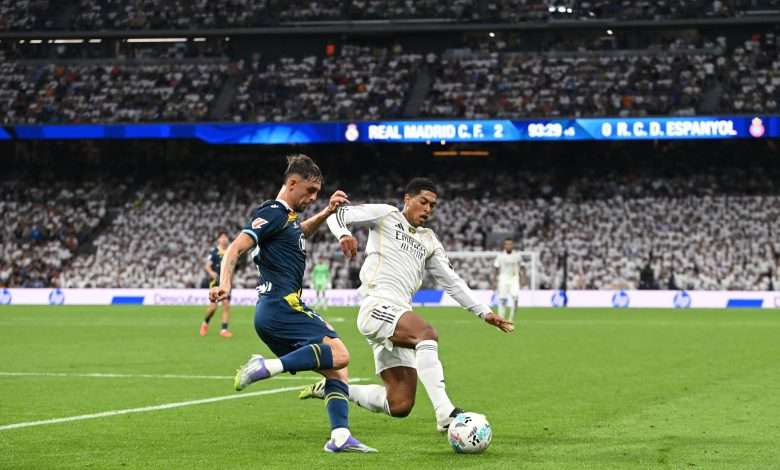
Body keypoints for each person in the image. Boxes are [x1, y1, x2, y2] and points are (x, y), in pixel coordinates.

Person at [300, 177, 514, 432]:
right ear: (407, 199)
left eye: (432, 205)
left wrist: (485, 313)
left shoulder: (429, 240)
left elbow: (452, 281)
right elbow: (340, 214)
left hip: (398, 314)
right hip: (376, 305)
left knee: (399, 404)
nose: (428, 209)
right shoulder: (387, 215)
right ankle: (445, 412)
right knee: (426, 334)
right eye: (423, 202)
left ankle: (334, 388)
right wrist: (344, 234)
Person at [209, 154, 376, 453]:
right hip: (281, 306)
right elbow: (235, 247)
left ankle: (340, 437)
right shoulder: (273, 211)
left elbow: (300, 232)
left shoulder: (287, 220)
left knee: (337, 372)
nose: (313, 198)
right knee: (340, 354)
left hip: (273, 312)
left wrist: (326, 211)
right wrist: (225, 283)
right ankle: (266, 366)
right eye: (309, 191)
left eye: (317, 193)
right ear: (292, 183)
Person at [200, 231, 232, 337]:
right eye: (222, 237)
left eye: (225, 237)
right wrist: (211, 272)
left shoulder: (230, 250)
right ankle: (205, 322)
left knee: (226, 305)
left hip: (226, 281)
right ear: (218, 239)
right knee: (213, 307)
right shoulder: (214, 252)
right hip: (216, 281)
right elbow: (207, 266)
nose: (224, 239)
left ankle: (223, 330)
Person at [493, 238, 522, 321]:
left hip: (514, 278)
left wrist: (524, 279)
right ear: (504, 245)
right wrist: (494, 281)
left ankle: (511, 319)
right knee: (502, 300)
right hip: (503, 278)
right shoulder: (500, 256)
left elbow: (522, 267)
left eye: (510, 244)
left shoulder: (517, 256)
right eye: (507, 244)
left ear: (512, 245)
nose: (508, 246)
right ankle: (501, 320)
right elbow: (496, 268)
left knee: (516, 298)